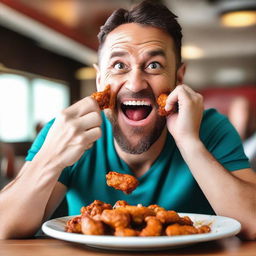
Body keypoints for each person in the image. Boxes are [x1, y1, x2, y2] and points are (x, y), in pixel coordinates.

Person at [0, 0, 255, 240]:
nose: (135, 83)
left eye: (154, 65)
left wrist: (189, 142)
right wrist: (49, 159)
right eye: (119, 65)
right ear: (100, 80)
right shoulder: (67, 132)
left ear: (178, 78)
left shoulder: (210, 128)